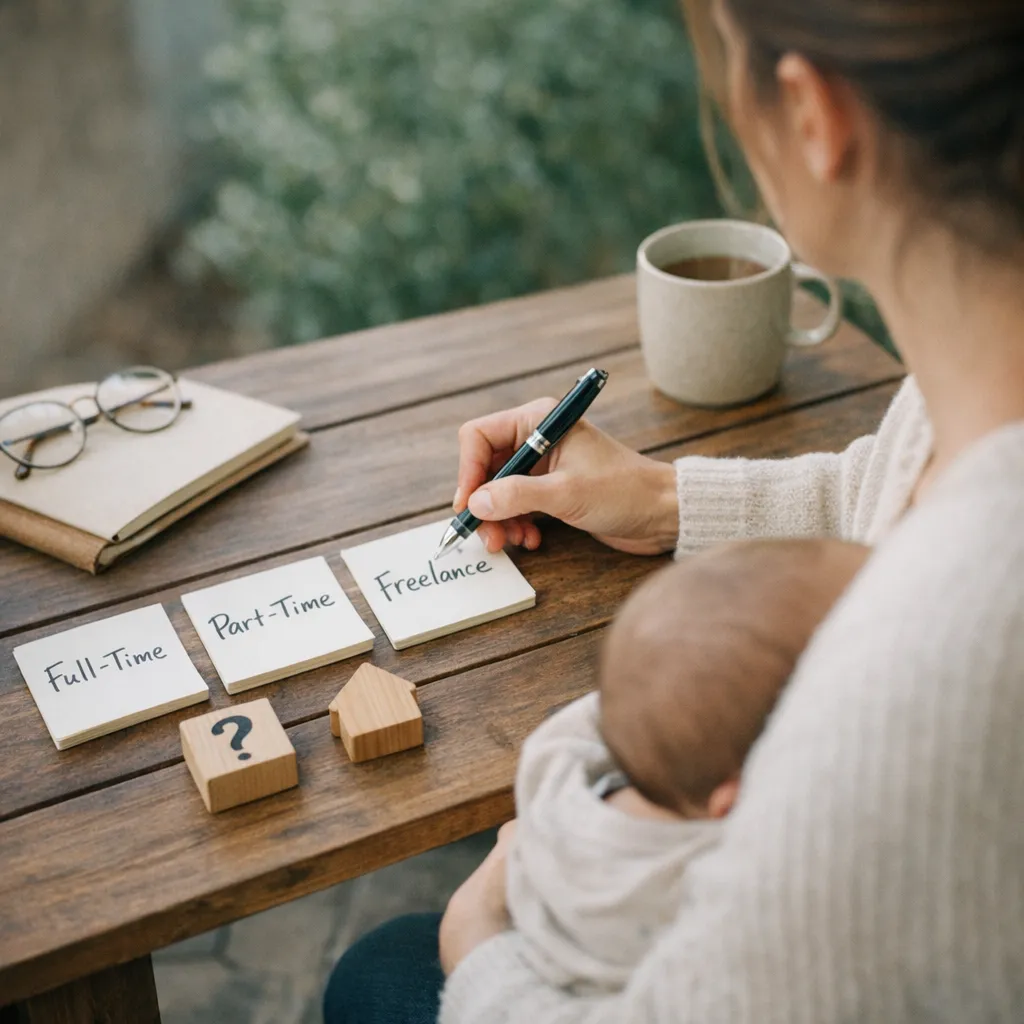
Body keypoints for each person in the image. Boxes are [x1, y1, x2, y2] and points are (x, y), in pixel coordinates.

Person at [324, 0, 1024, 1019]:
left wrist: (475, 951)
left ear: (811, 114)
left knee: (379, 971)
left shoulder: (920, 682)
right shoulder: (975, 382)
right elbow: (888, 493)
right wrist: (660, 497)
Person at [509, 539, 871, 996]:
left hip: (522, 946)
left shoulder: (552, 769)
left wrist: (676, 687)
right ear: (739, 799)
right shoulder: (721, 891)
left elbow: (626, 698)